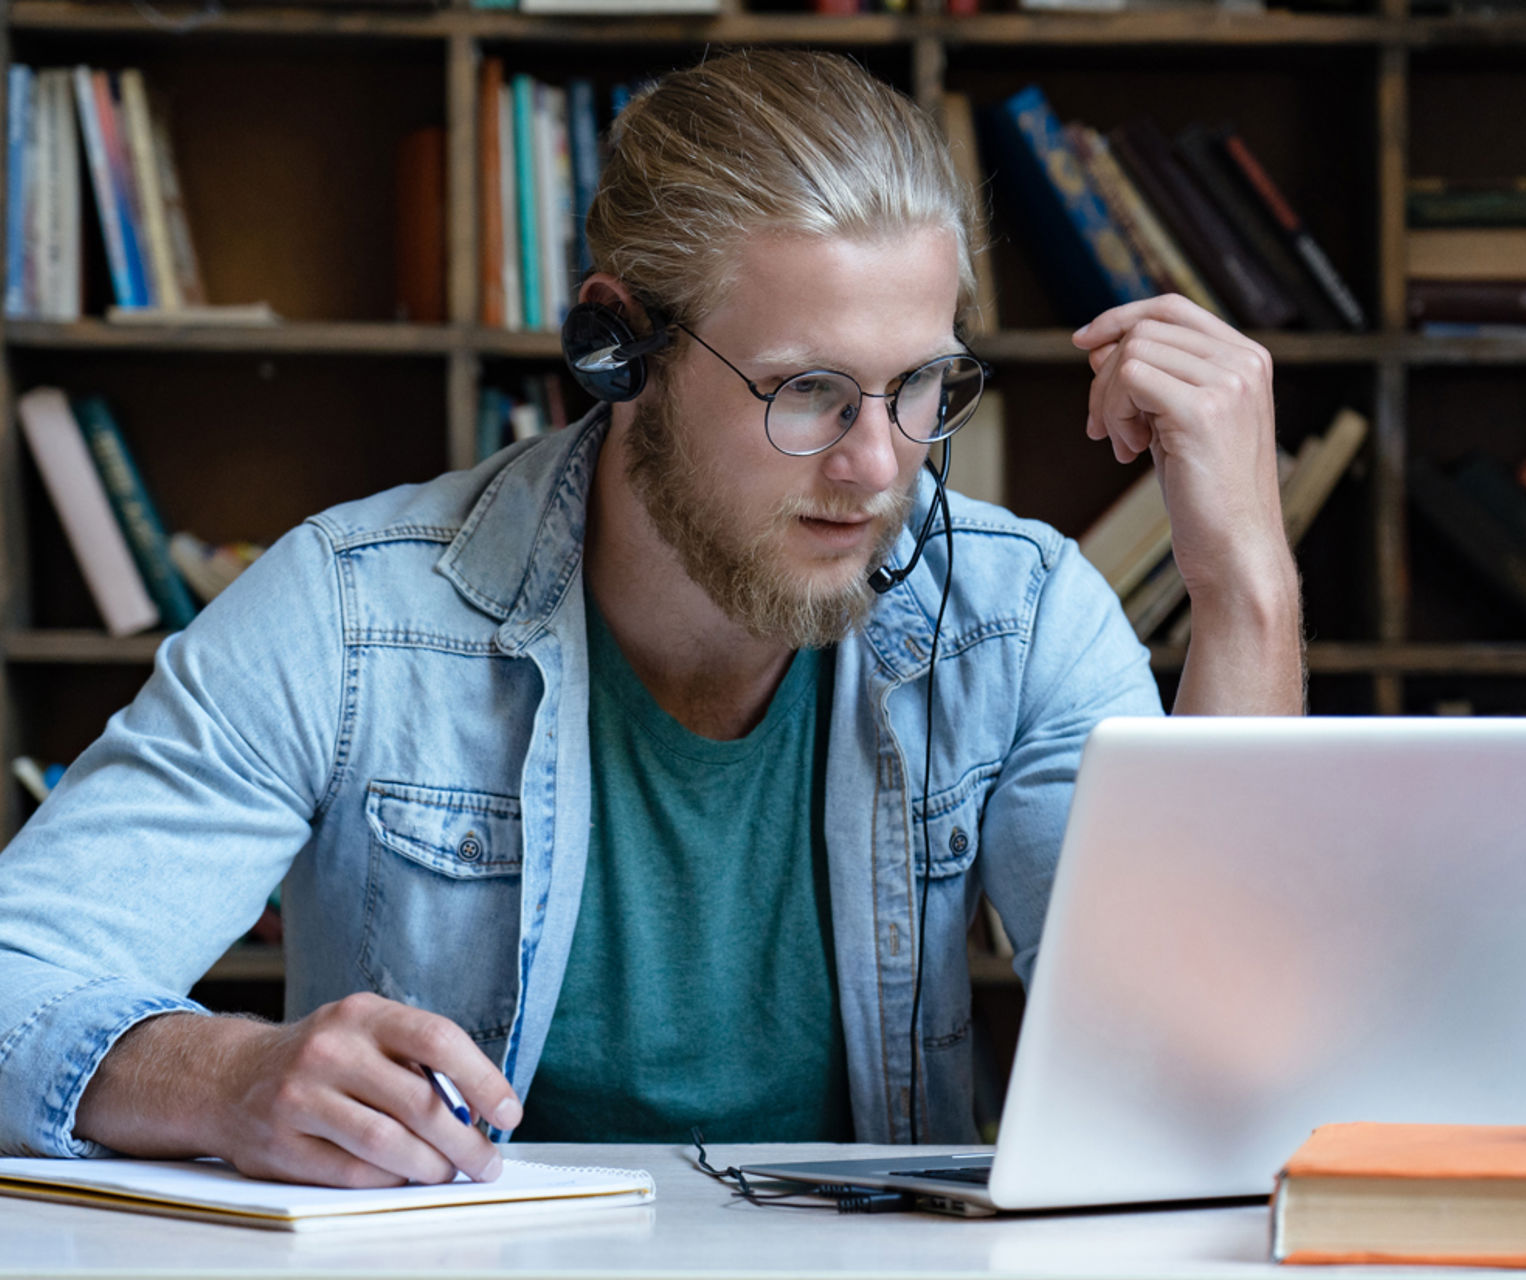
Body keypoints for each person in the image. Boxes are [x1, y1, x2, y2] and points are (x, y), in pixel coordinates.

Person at [0, 50, 1302, 1186]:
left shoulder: (1016, 621)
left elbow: (1208, 1071)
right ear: (617, 349)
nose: (879, 466)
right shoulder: (350, 614)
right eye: (807, 392)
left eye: (921, 386)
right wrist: (227, 1081)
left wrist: (1246, 587)